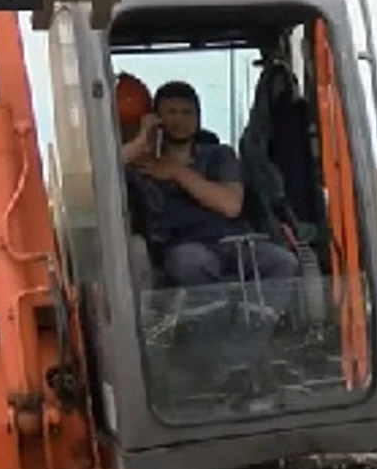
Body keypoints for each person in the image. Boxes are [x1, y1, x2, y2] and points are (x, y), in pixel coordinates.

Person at [122, 81, 300, 375]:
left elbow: (230, 204)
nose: (179, 120)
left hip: (234, 243)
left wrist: (177, 173)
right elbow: (93, 181)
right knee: (195, 264)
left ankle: (234, 362)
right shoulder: (141, 165)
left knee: (283, 262)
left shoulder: (219, 156)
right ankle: (207, 365)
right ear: (157, 118)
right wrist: (141, 140)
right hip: (180, 248)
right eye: (171, 112)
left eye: (187, 112)